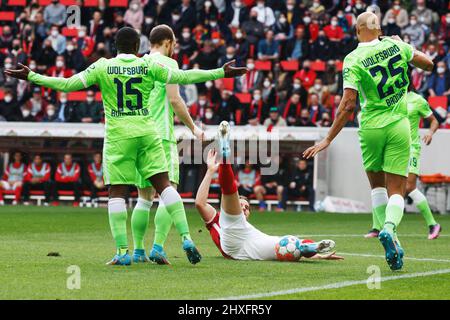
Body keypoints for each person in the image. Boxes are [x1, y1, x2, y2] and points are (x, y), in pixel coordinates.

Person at [5, 25, 247, 266]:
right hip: (148, 132)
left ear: (115, 47)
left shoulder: (102, 66)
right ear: (137, 48)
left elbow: (68, 84)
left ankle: (123, 252)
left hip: (119, 136)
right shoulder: (147, 65)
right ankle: (185, 237)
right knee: (164, 186)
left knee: (118, 192)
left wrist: (31, 76)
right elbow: (183, 77)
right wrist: (220, 73)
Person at [303, 12, 434, 271]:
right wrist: (404, 45)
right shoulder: (396, 44)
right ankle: (389, 228)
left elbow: (348, 105)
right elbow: (428, 64)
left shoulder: (352, 58)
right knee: (397, 188)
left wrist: (328, 138)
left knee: (377, 187)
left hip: (371, 126)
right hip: (399, 125)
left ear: (357, 30)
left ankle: (391, 238)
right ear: (379, 29)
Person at [194, 123, 343, 262]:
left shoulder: (251, 230)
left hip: (251, 242)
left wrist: (316, 255)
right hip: (231, 241)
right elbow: (200, 203)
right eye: (242, 205)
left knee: (286, 243)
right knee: (229, 192)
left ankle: (310, 247)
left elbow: (282, 246)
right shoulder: (217, 219)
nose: (244, 209)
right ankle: (225, 156)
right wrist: (210, 171)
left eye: (247, 208)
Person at [132, 28, 207, 265]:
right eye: (173, 42)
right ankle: (158, 247)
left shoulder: (138, 63)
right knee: (168, 191)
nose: (174, 46)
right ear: (167, 42)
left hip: (138, 135)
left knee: (143, 197)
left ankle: (137, 251)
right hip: (161, 136)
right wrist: (194, 128)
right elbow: (175, 99)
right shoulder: (168, 64)